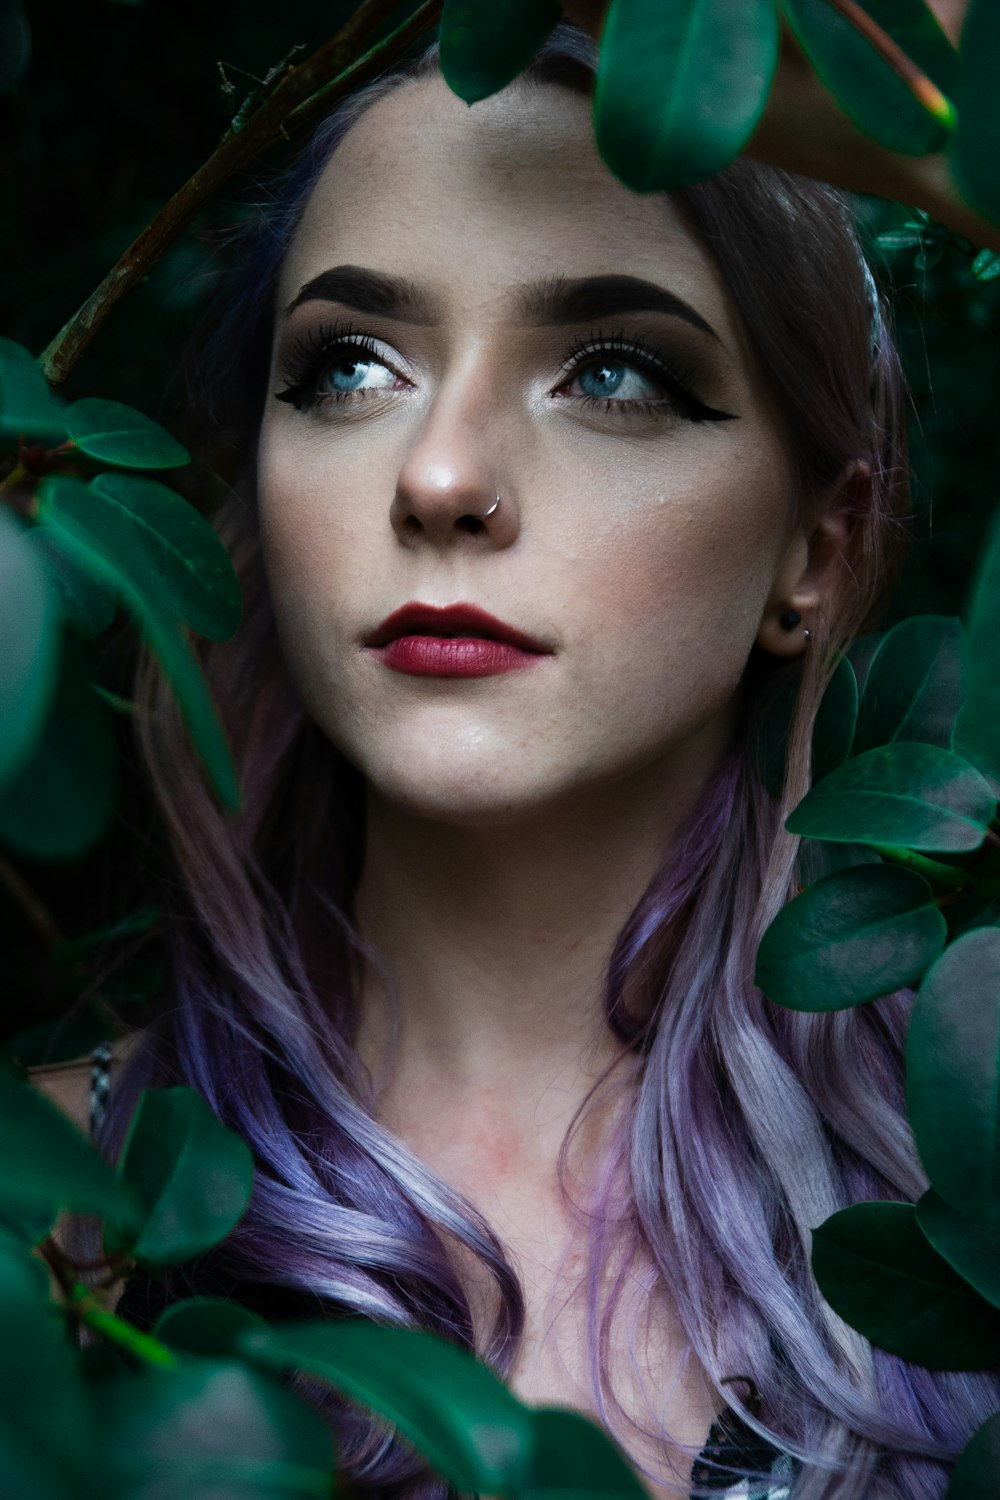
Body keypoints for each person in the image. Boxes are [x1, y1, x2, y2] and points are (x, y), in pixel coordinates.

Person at [32, 18, 1000, 1500]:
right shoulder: (41, 1208)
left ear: (820, 546)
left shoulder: (969, 1194)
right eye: (351, 365)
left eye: (613, 375)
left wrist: (939, 122)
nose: (439, 476)